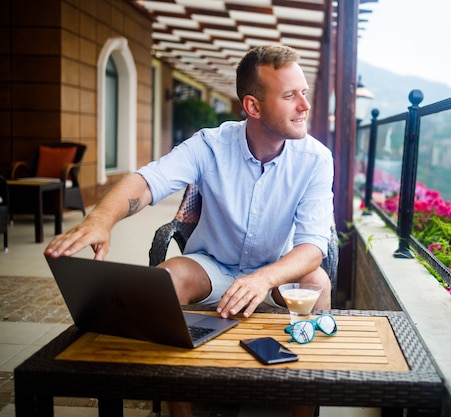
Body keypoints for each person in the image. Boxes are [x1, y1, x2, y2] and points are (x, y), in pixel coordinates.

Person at [45, 44, 334, 417]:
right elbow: (149, 181)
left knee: (318, 283)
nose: (304, 106)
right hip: (212, 264)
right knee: (166, 280)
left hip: (276, 264)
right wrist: (101, 218)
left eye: (304, 93)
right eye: (290, 95)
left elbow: (313, 245)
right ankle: (178, 413)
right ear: (253, 106)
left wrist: (262, 279)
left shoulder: (315, 159)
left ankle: (303, 411)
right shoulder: (209, 145)